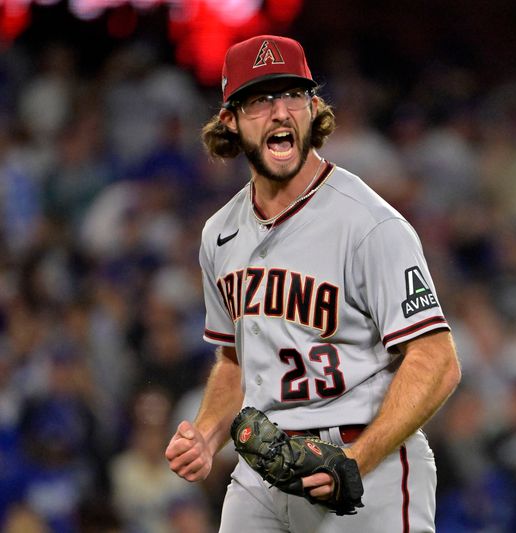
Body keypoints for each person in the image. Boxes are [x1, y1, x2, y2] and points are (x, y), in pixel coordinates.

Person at [164, 34, 461, 532]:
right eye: (260, 99)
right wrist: (207, 433)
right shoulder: (219, 234)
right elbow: (237, 360)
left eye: (293, 95)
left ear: (313, 109)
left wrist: (357, 459)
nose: (280, 112)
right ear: (231, 121)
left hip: (367, 460)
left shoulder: (369, 223)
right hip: (261, 464)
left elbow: (438, 360)